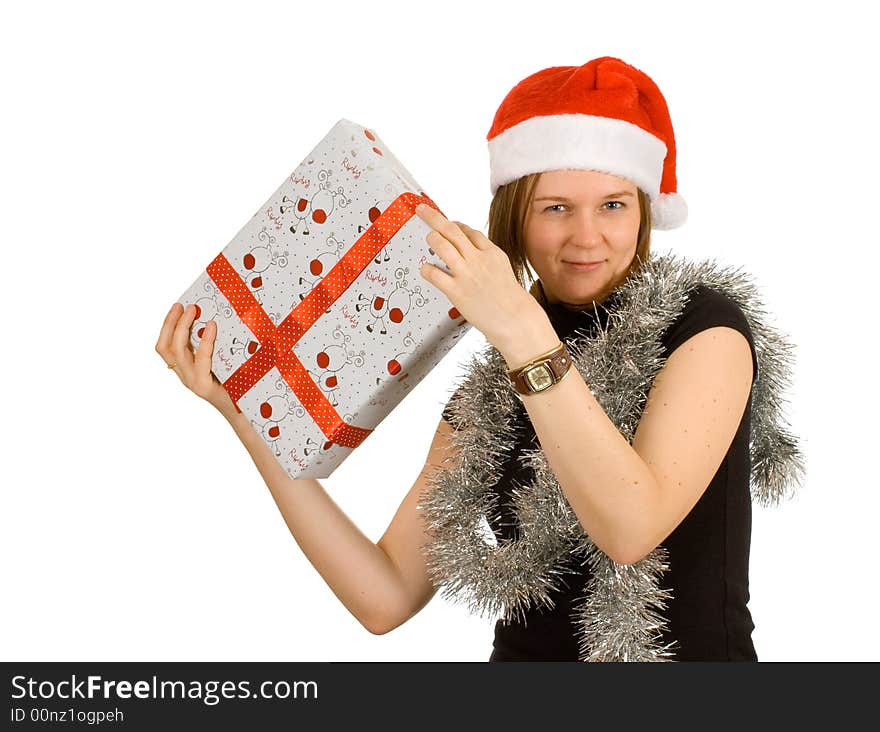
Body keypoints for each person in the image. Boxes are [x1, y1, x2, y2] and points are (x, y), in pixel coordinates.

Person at [156, 56, 803, 662]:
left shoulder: (705, 328)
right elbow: (385, 595)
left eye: (613, 205)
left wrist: (520, 329)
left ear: (643, 212)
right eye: (556, 209)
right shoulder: (496, 386)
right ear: (515, 219)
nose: (587, 237)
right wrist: (245, 415)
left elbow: (631, 529)